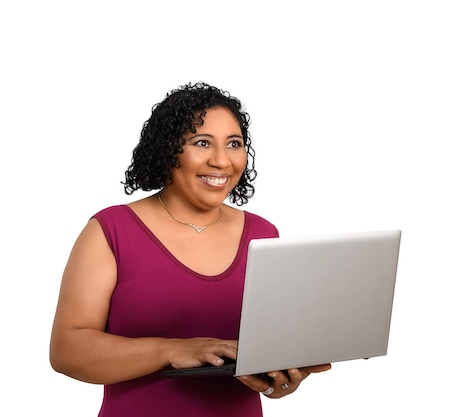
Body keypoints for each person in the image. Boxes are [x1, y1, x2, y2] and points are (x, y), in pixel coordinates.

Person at [49, 82, 331, 416]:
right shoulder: (112, 230)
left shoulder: (263, 234)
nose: (222, 161)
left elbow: (271, 352)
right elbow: (67, 351)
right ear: (169, 151)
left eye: (234, 144)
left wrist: (281, 379)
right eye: (202, 143)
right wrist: (171, 350)